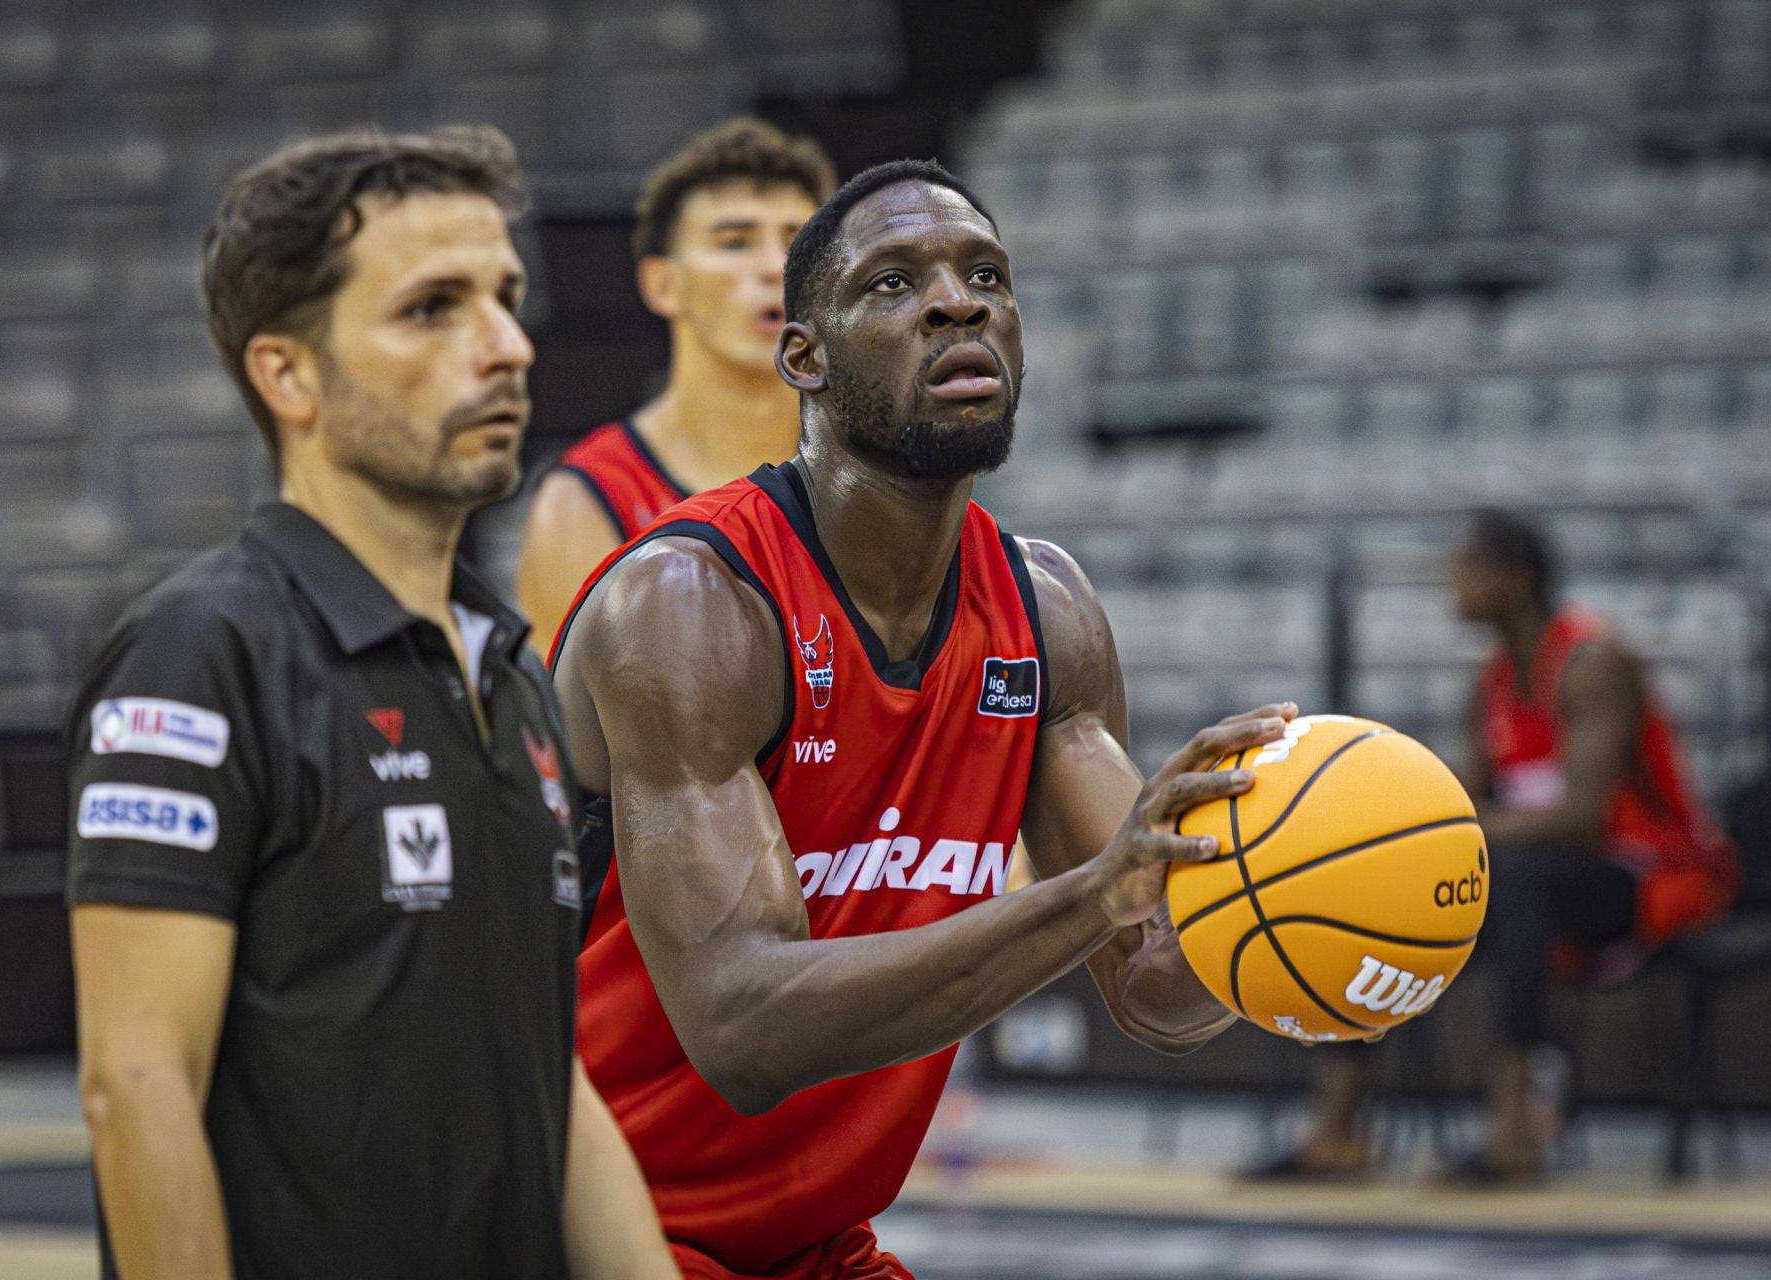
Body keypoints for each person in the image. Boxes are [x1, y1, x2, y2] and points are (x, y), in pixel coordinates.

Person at [552, 157, 1292, 1279]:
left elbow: (1152, 982)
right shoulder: (695, 606)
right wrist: (1089, 895)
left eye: (985, 274)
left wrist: (1279, 928)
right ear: (804, 357)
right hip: (585, 1227)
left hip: (814, 1244)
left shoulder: (1049, 615)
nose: (957, 301)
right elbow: (744, 1025)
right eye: (893, 284)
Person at [67, 127, 676, 1279]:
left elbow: (555, 1080)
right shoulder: (199, 654)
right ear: (286, 374)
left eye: (504, 296)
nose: (504, 344)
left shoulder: (513, 666)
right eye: (433, 307)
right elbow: (136, 1087)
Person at [1255, 508, 1737, 1182]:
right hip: (1535, 878)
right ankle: (1337, 1129)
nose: (1453, 584)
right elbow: (1453, 801)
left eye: (1468, 570)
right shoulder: (1492, 683)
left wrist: (1446, 833)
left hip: (1646, 874)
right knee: (1380, 901)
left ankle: (1516, 1123)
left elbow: (1581, 818)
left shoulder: (1592, 661)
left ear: (1516, 580)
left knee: (1515, 880)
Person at [517, 117, 837, 646]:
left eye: (798, 243)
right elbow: (574, 728)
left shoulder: (878, 476)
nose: (775, 267)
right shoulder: (585, 504)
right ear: (662, 283)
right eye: (735, 242)